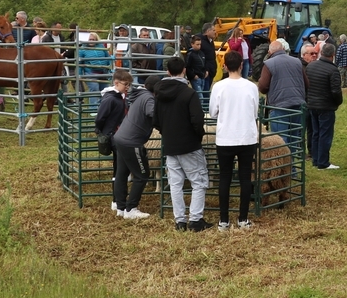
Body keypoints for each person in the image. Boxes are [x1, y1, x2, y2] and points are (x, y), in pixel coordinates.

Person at [154, 57, 210, 232]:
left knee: (175, 183)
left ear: (168, 72)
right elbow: (197, 118)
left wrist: (167, 133)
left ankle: (180, 221)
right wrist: (198, 135)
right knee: (198, 181)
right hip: (189, 145)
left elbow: (156, 120)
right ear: (184, 70)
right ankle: (195, 220)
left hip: (170, 144)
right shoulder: (189, 93)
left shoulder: (159, 93)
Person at [210, 51, 261, 231]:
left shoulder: (218, 86)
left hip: (225, 138)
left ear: (225, 65)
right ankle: (243, 219)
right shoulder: (251, 87)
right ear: (241, 65)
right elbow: (255, 112)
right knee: (245, 178)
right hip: (246, 137)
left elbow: (213, 112)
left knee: (225, 178)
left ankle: (224, 220)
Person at [112, 75, 161, 220]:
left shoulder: (140, 95)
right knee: (142, 174)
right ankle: (131, 209)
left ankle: (120, 207)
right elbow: (153, 114)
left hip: (121, 137)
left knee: (122, 173)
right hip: (132, 142)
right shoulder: (149, 99)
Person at [257, 38, 308, 154]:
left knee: (281, 141)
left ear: (270, 53)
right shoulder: (297, 61)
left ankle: (283, 170)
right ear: (283, 49)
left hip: (279, 107)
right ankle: (292, 169)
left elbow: (263, 87)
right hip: (298, 106)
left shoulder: (269, 64)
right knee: (293, 139)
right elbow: (306, 83)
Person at [96, 68, 131, 211]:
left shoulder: (120, 97)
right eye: (125, 84)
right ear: (116, 83)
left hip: (119, 135)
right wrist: (103, 133)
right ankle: (116, 200)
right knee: (119, 169)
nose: (127, 87)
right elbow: (100, 118)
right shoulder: (111, 99)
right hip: (114, 136)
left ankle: (118, 199)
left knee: (120, 168)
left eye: (129, 84)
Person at [306, 42, 343, 170]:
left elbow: (306, 86)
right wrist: (338, 102)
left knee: (315, 133)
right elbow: (336, 91)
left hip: (312, 104)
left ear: (321, 53)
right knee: (325, 134)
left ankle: (316, 159)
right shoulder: (333, 70)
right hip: (326, 106)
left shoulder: (310, 66)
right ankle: (323, 162)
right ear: (333, 55)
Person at [197, 22, 219, 93]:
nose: (215, 32)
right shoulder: (200, 42)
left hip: (211, 71)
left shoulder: (210, 41)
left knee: (207, 91)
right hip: (205, 73)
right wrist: (205, 69)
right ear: (207, 31)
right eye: (213, 30)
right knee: (205, 94)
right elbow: (198, 57)